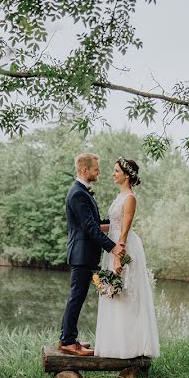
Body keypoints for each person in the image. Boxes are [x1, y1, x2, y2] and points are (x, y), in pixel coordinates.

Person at [93, 158, 160, 359]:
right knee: (114, 295)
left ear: (127, 175)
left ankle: (130, 347)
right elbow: (114, 224)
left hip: (123, 247)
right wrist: (91, 228)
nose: (113, 174)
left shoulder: (130, 197)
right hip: (112, 245)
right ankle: (114, 345)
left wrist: (117, 257)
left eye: (116, 171)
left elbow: (124, 230)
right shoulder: (120, 195)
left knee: (124, 293)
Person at [59, 153, 125, 356]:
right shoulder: (78, 194)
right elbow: (89, 228)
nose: (99, 172)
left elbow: (94, 224)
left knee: (77, 297)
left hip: (84, 254)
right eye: (96, 168)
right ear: (85, 170)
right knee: (76, 298)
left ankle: (69, 338)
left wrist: (118, 224)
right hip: (81, 254)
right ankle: (68, 341)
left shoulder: (82, 192)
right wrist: (113, 247)